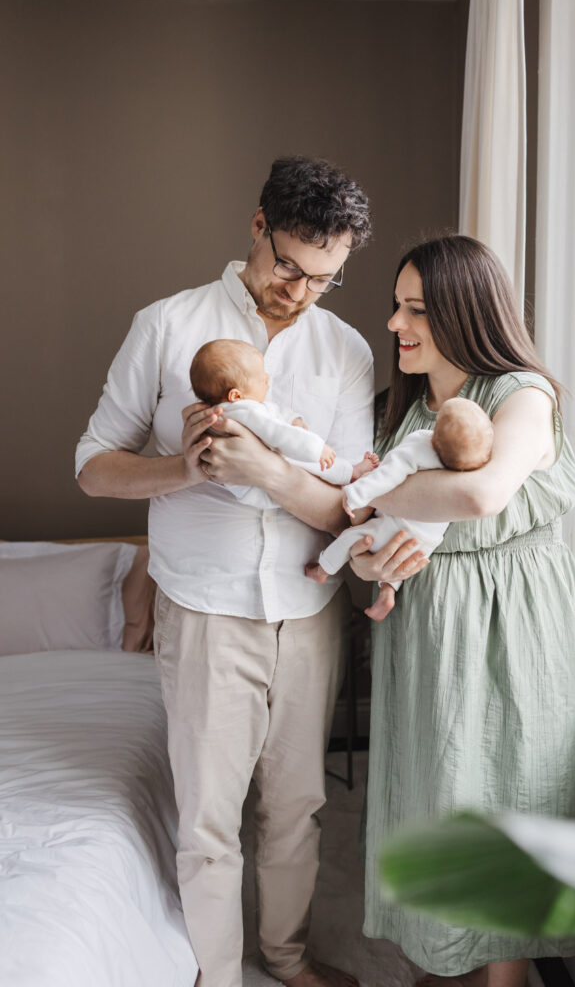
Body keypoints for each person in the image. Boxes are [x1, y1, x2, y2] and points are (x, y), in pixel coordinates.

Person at [76, 157, 427, 987]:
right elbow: (93, 466)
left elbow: (346, 501)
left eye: (325, 280)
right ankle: (219, 977)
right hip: (201, 609)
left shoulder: (343, 349)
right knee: (206, 823)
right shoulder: (165, 325)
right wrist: (185, 471)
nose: (299, 292)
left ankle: (288, 958)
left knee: (299, 810)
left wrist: (267, 473)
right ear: (258, 226)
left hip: (307, 616)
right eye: (289, 268)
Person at [347, 235, 575, 987]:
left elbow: (481, 495)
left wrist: (366, 493)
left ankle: (504, 977)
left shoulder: (521, 392)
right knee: (435, 791)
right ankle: (444, 958)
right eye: (395, 305)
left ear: (466, 312)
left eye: (416, 309)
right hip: (425, 626)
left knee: (502, 794)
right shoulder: (401, 407)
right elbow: (374, 539)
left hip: (508, 622)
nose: (395, 324)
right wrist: (368, 556)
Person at [304, 397, 493, 621]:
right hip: (427, 542)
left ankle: (323, 569)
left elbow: (386, 475)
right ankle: (388, 592)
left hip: (396, 527)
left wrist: (355, 494)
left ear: (434, 438)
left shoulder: (421, 445)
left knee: (351, 537)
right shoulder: (473, 468)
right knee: (398, 564)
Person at [189, 338, 379, 487]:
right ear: (236, 395)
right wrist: (317, 448)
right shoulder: (244, 411)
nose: (267, 379)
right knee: (313, 464)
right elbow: (278, 432)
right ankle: (350, 473)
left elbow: (271, 413)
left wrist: (292, 419)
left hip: (252, 471)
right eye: (260, 378)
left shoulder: (227, 410)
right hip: (268, 465)